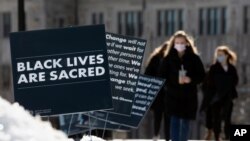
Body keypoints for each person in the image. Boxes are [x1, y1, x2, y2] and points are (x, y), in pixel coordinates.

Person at [159, 30, 205, 141]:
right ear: (173, 44)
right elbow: (161, 76)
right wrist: (174, 81)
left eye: (182, 42)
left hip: (188, 96)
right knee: (174, 121)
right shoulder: (168, 59)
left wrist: (190, 80)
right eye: (177, 43)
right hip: (172, 95)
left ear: (187, 43)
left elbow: (202, 76)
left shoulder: (194, 58)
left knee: (185, 122)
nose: (179, 45)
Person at [200, 46, 238, 141]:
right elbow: (209, 82)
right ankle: (217, 137)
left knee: (227, 117)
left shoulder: (231, 68)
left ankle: (227, 136)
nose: (219, 57)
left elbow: (235, 81)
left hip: (228, 97)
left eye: (221, 55)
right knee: (216, 118)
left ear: (226, 55)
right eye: (218, 55)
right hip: (216, 97)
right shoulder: (214, 68)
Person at [144, 42, 170, 141]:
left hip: (168, 93)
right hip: (157, 92)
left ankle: (168, 137)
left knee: (168, 117)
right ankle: (156, 135)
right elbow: (147, 74)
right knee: (158, 115)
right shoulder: (155, 59)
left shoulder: (171, 60)